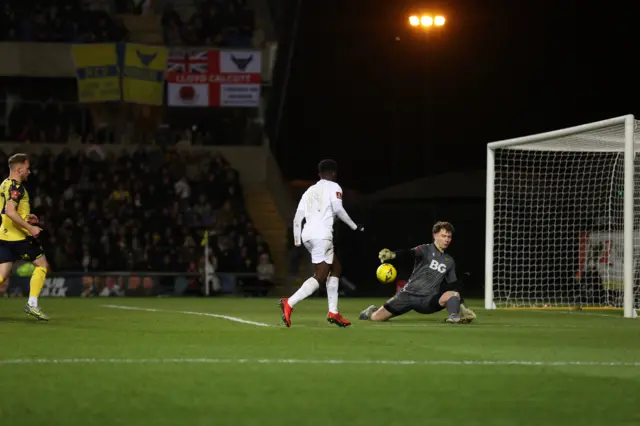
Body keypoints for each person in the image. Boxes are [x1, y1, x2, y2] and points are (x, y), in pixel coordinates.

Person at [279, 159, 363, 328]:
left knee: (335, 268)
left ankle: (333, 311)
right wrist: (355, 226)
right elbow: (338, 209)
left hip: (307, 235)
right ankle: (290, 302)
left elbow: (297, 218)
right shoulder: (335, 187)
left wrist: (297, 240)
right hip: (322, 234)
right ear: (334, 173)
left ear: (319, 174)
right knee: (321, 274)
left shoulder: (309, 191)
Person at [359, 221, 477, 324]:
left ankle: (454, 316)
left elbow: (453, 286)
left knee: (453, 294)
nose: (446, 239)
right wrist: (392, 255)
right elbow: (409, 253)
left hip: (428, 300)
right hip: (407, 295)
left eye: (449, 237)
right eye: (443, 236)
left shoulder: (449, 261)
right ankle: (370, 311)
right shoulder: (425, 249)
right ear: (435, 235)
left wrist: (462, 307)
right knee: (377, 318)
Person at [0, 153, 49, 320]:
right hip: (18, 237)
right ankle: (32, 304)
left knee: (2, 274)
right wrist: (30, 227)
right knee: (42, 265)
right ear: (19, 169)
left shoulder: (4, 184)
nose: (29, 172)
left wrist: (27, 216)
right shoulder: (17, 188)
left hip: (4, 236)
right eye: (27, 168)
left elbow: (6, 212)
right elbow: (10, 211)